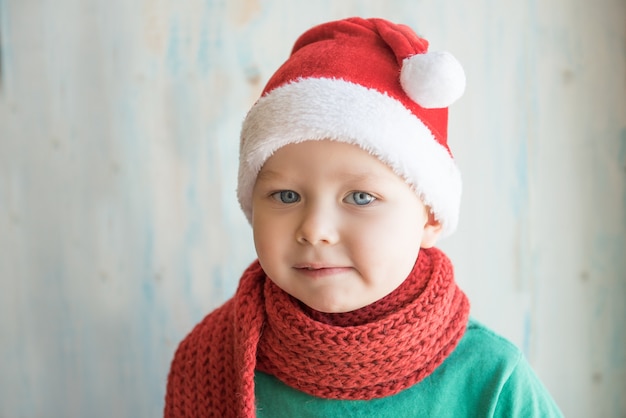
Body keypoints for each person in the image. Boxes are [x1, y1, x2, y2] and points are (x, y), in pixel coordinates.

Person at [164, 17, 563, 417]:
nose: (315, 230)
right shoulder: (217, 360)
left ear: (430, 218)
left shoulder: (492, 379)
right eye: (286, 195)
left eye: (360, 197)